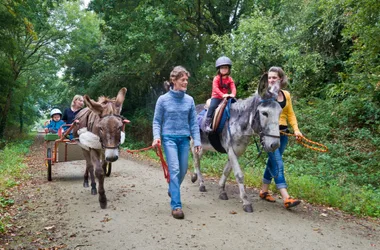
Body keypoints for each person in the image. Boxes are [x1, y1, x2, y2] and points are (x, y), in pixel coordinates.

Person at [152, 66, 202, 219]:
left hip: (184, 139)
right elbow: (157, 121)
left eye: (187, 80)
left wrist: (198, 141)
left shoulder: (189, 100)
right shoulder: (163, 100)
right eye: (182, 80)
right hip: (169, 139)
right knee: (174, 169)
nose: (185, 82)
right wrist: (156, 136)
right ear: (173, 80)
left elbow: (194, 123)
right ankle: (176, 206)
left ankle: (173, 189)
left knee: (183, 169)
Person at [259, 66, 302, 209]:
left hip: (283, 135)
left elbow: (290, 114)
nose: (271, 80)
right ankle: (286, 197)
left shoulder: (286, 95)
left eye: (274, 77)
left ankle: (264, 191)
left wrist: (296, 130)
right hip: (269, 136)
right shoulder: (265, 96)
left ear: (280, 79)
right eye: (269, 78)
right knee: (278, 163)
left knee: (272, 162)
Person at [204, 56, 237, 132]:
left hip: (225, 98)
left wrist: (233, 94)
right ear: (219, 69)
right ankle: (207, 123)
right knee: (212, 106)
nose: (224, 69)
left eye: (225, 67)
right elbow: (215, 89)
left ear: (228, 69)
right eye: (222, 68)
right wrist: (222, 95)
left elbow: (233, 88)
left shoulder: (230, 79)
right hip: (216, 97)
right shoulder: (216, 78)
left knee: (235, 104)